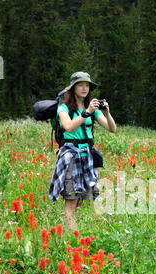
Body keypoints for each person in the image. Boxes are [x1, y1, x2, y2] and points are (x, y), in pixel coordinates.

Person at [48, 71, 116, 231]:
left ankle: (72, 233)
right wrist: (88, 112)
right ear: (73, 88)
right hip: (70, 157)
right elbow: (69, 126)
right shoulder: (63, 108)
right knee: (71, 200)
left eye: (87, 85)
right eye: (80, 85)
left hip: (87, 157)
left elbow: (112, 128)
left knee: (79, 200)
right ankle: (72, 237)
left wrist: (106, 112)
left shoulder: (92, 108)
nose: (84, 88)